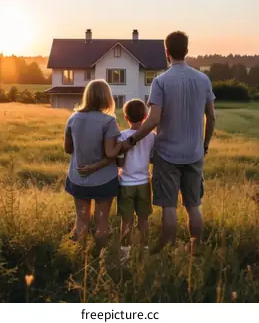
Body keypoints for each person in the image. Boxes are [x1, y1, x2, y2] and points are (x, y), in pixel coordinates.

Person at [121, 31, 216, 254]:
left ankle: (165, 248)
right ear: (187, 50)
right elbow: (211, 116)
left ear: (166, 52)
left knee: (169, 206)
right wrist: (205, 145)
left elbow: (153, 119)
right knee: (193, 205)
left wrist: (132, 140)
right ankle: (196, 249)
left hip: (167, 155)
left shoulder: (160, 82)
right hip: (194, 152)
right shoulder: (203, 80)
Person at [64, 79, 122, 251]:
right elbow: (111, 154)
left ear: (87, 96)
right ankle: (100, 258)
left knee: (81, 219)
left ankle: (80, 257)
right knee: (102, 219)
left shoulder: (73, 118)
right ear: (106, 97)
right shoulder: (108, 121)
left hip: (78, 179)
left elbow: (68, 149)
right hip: (104, 180)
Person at [116, 99, 156, 262]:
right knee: (144, 219)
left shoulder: (122, 136)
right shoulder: (152, 137)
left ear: (126, 117)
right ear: (145, 116)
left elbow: (119, 162)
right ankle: (145, 251)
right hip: (144, 183)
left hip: (126, 184)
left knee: (126, 220)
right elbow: (153, 158)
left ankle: (124, 255)